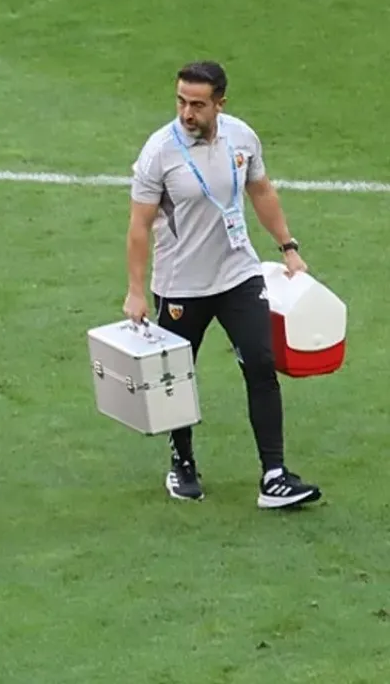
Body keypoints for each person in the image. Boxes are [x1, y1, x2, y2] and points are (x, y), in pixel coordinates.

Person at [124, 60, 322, 509]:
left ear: (220, 104)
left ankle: (274, 476)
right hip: (180, 284)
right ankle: (182, 464)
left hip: (238, 274)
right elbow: (138, 227)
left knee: (261, 363)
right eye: (181, 101)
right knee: (176, 377)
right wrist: (135, 291)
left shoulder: (241, 137)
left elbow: (261, 191)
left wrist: (288, 246)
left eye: (197, 104)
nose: (186, 113)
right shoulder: (159, 152)